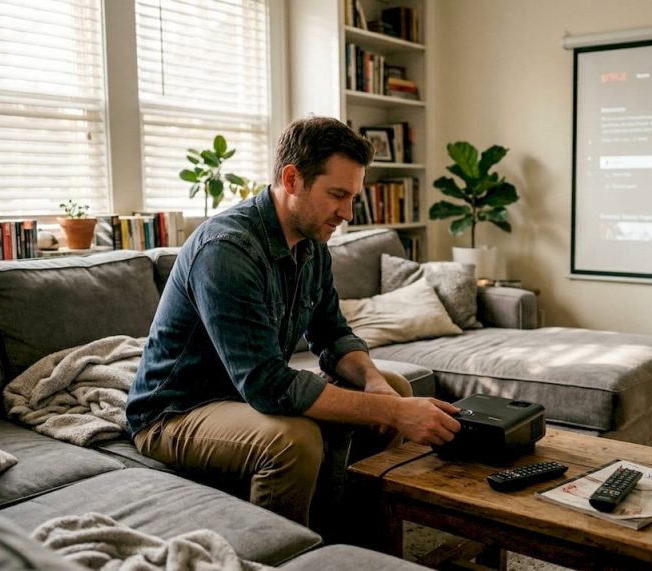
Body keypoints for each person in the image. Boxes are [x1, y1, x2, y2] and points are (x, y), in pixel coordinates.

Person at [126, 117, 461, 526]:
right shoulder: (226, 250)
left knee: (394, 386)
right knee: (295, 441)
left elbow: (332, 334)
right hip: (175, 412)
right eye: (338, 194)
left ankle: (349, 536)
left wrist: (375, 385)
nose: (348, 213)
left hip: (242, 395)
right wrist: (394, 414)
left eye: (352, 197)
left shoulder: (312, 242)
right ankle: (285, 555)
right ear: (291, 179)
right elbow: (268, 385)